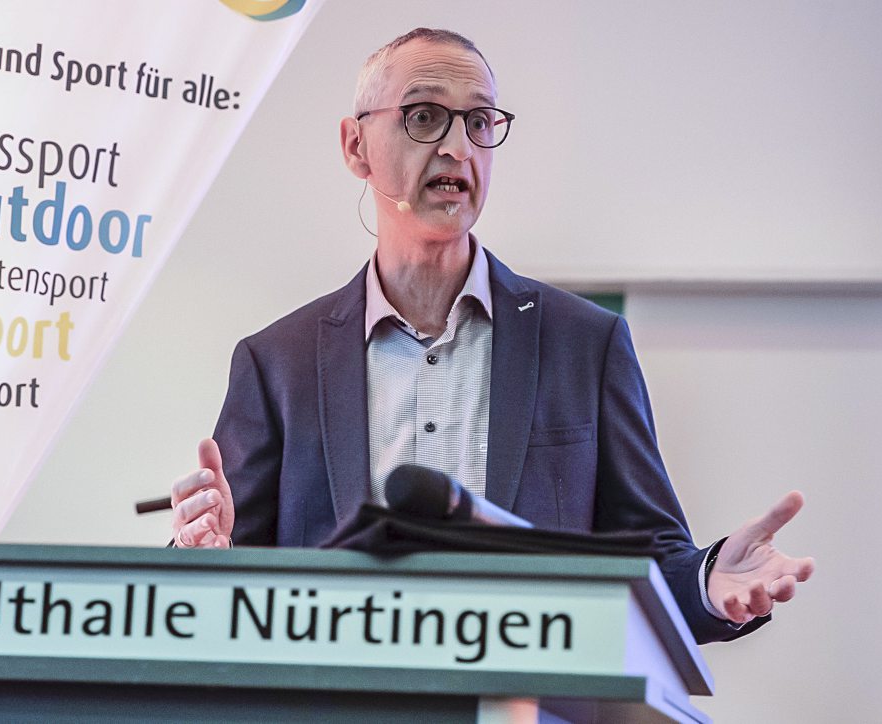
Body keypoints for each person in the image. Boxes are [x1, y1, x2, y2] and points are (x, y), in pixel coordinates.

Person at [169, 28, 813, 644]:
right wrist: (200, 556)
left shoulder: (585, 345)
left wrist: (707, 582)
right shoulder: (277, 364)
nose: (458, 147)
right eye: (425, 117)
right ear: (356, 145)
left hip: (524, 698)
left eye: (479, 121)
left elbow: (649, 558)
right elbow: (225, 582)